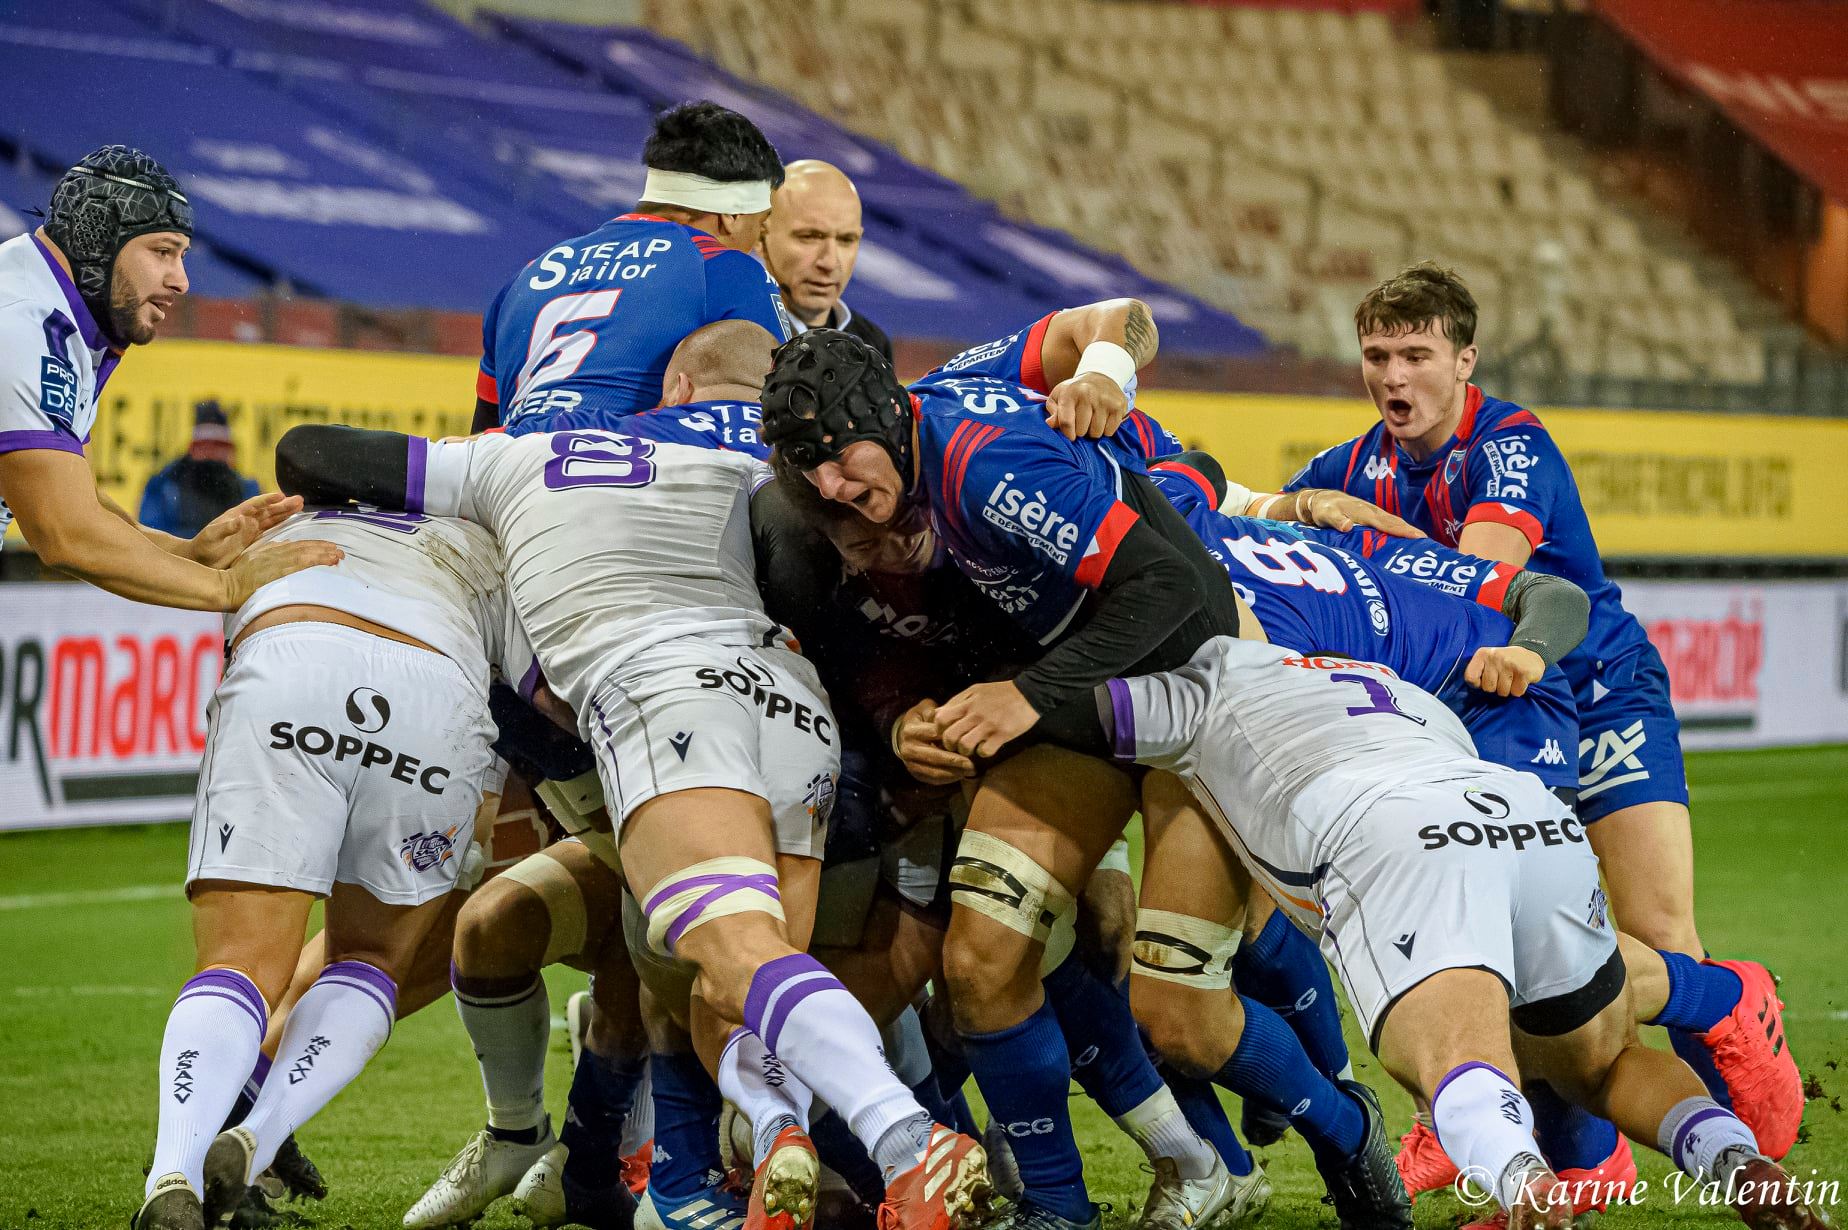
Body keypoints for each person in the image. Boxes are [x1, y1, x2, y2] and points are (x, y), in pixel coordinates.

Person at [275, 341, 997, 1230]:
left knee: (734, 958)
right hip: (791, 701)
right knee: (751, 978)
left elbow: (310, 451)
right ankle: (777, 1134)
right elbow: (799, 559)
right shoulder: (757, 462)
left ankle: (909, 1143)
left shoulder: (511, 455)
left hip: (659, 694)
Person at [761, 313, 1412, 1230]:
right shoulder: (890, 469)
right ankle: (1059, 1210)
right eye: (811, 472)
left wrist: (1109, 368)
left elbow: (1178, 594)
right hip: (1080, 705)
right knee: (981, 962)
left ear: (888, 410)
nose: (835, 486)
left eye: (841, 458)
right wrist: (905, 716)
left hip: (1195, 687)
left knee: (1179, 1005)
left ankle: (1342, 1122)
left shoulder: (986, 468)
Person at [1249, 263, 1802, 1183]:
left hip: (1595, 684)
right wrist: (1298, 510)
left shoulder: (1510, 442)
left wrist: (1362, 532)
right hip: (1489, 708)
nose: (1394, 377)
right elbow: (1272, 540)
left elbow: (1480, 582)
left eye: (1417, 355)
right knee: (1509, 934)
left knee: (1657, 934)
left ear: (1465, 361)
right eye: (1377, 356)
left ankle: (1729, 1019)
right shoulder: (1341, 469)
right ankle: (1589, 1162)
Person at [1025, 636, 1830, 1230]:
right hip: (1526, 815)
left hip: (1395, 837)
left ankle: (1526, 1188)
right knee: (1606, 1060)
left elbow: (1062, 715)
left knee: (1453, 1062)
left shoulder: (1195, 683)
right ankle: (1732, 1156)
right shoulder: (1379, 676)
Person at [133, 507, 521, 1230]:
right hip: (436, 688)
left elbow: (101, 541)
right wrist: (488, 792)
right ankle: (257, 1138)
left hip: (294, 656)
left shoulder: (290, 513)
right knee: (372, 957)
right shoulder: (495, 535)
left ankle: (172, 1173)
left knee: (240, 964)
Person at [0, 145, 335, 609]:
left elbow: (81, 504)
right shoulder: (25, 324)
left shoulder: (43, 303)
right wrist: (229, 588)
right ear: (96, 239)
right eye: (162, 252)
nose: (181, 280)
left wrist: (186, 553)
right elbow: (65, 533)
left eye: (181, 256)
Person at [472, 101, 792, 434]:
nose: (757, 243)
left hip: (503, 464)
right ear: (732, 215)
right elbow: (785, 411)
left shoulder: (525, 277)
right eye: (761, 223)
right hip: (611, 471)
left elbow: (480, 434)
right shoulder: (727, 270)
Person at [760, 160, 893, 362]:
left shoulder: (873, 344)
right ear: (761, 238)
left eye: (847, 240)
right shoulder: (735, 335)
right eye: (809, 236)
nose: (829, 262)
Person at [137, 400, 262, 539]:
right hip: (175, 559)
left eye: (219, 446)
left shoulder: (247, 489)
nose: (212, 452)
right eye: (205, 445)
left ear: (230, 450)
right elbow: (151, 539)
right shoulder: (163, 486)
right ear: (192, 448)